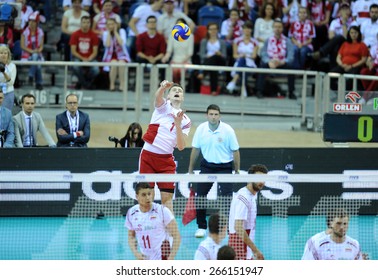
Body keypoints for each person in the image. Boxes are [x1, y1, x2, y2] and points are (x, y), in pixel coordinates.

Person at [188, 104, 240, 238]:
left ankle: (228, 227)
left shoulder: (228, 130)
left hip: (225, 167)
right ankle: (201, 227)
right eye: (211, 114)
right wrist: (190, 169)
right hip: (207, 166)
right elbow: (196, 149)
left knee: (227, 199)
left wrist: (237, 170)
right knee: (200, 197)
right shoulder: (201, 129)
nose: (213, 117)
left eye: (216, 114)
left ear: (219, 116)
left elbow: (235, 151)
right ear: (207, 115)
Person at [139, 80, 191, 213]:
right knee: (146, 198)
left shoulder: (186, 120)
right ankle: (146, 231)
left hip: (166, 161)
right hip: (148, 157)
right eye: (174, 90)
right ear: (168, 96)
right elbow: (157, 97)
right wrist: (162, 88)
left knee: (167, 200)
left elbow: (180, 146)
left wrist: (178, 124)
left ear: (183, 98)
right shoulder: (163, 106)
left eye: (180, 91)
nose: (177, 92)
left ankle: (169, 233)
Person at [125, 182, 181, 260]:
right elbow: (131, 236)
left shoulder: (162, 211)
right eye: (144, 195)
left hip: (162, 258)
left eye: (149, 194)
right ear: (137, 196)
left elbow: (177, 235)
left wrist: (171, 258)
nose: (148, 197)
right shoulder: (131, 213)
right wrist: (136, 253)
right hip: (144, 259)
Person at [228, 164, 268, 260]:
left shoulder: (252, 196)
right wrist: (255, 250)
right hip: (239, 247)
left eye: (264, 179)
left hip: (246, 247)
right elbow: (238, 227)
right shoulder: (244, 197)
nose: (261, 182)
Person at [255, 19, 296, 99]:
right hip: (270, 62)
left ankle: (291, 92)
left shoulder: (287, 41)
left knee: (291, 67)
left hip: (282, 63)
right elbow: (263, 53)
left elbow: (291, 56)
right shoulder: (268, 40)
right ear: (273, 28)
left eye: (279, 27)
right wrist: (269, 61)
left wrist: (282, 62)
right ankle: (259, 91)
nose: (277, 29)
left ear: (282, 28)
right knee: (262, 65)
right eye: (275, 27)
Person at [330, 25, 369, 90]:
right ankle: (338, 93)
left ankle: (347, 96)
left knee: (349, 79)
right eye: (352, 33)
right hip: (343, 66)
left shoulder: (362, 45)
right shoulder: (345, 44)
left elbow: (363, 60)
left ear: (359, 34)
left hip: (355, 67)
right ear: (349, 34)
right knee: (330, 75)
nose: (353, 34)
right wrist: (342, 65)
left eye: (355, 33)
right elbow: (338, 57)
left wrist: (351, 66)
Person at [226, 21, 259, 95]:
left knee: (243, 64)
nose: (247, 30)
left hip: (250, 63)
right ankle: (243, 89)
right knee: (242, 61)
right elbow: (234, 55)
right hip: (239, 62)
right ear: (243, 30)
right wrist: (241, 56)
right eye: (245, 28)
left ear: (251, 30)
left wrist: (246, 56)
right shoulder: (237, 41)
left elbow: (254, 56)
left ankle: (233, 82)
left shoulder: (255, 42)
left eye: (249, 29)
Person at [69, 16, 100, 90]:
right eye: (84, 22)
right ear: (81, 24)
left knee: (96, 69)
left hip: (90, 58)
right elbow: (73, 51)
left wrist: (89, 59)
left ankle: (81, 82)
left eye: (88, 22)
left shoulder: (93, 35)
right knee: (75, 67)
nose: (86, 24)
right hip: (78, 57)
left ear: (90, 24)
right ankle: (86, 85)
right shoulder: (75, 34)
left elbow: (95, 52)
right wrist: (82, 58)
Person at [197, 23, 227, 96]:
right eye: (211, 29)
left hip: (220, 60)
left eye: (215, 29)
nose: (213, 31)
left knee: (215, 57)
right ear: (208, 30)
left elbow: (225, 56)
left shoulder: (222, 42)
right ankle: (213, 90)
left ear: (217, 30)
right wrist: (207, 55)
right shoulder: (204, 41)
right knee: (213, 66)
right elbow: (201, 55)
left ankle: (202, 72)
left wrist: (220, 54)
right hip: (209, 61)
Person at [161, 18, 194, 84]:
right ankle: (175, 85)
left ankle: (180, 86)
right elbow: (169, 51)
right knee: (173, 70)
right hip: (175, 60)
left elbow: (190, 53)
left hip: (186, 61)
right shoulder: (171, 36)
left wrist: (181, 62)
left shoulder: (191, 36)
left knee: (179, 70)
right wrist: (165, 58)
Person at [102, 17, 130, 92]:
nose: (111, 26)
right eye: (109, 24)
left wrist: (115, 32)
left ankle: (122, 85)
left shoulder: (121, 31)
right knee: (114, 65)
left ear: (116, 24)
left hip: (122, 54)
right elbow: (107, 45)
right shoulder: (105, 33)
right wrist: (109, 33)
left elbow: (122, 43)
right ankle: (112, 85)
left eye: (112, 24)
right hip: (110, 55)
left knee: (121, 64)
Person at [20, 11, 46, 90]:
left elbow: (41, 46)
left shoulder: (40, 32)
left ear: (37, 23)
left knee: (36, 58)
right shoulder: (24, 32)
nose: (31, 23)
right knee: (37, 62)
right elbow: (22, 46)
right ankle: (39, 83)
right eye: (30, 21)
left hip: (37, 53)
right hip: (26, 54)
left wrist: (37, 51)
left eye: (33, 21)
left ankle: (31, 75)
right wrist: (31, 51)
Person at [0, 45, 17, 112]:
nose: (3, 55)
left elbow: (11, 82)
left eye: (5, 53)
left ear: (8, 55)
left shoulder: (12, 66)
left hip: (8, 92)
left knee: (7, 113)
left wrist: (3, 72)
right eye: (1, 53)